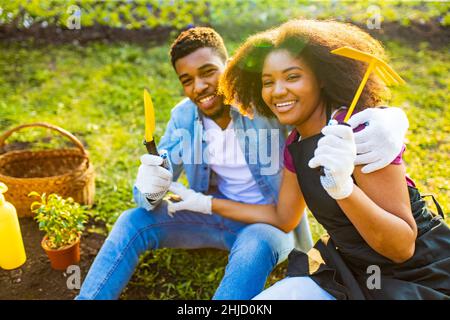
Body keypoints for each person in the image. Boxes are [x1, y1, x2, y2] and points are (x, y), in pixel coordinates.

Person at [76, 26, 409, 300]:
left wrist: (392, 119)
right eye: (187, 79)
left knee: (254, 244)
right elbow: (152, 190)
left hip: (270, 226)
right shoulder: (183, 118)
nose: (199, 87)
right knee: (133, 220)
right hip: (209, 216)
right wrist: (149, 187)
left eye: (208, 72)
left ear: (229, 66)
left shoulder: (265, 105)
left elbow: (323, 105)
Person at [216, 19, 450, 300]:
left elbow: (401, 247)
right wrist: (202, 204)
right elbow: (283, 217)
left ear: (322, 78)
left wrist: (344, 190)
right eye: (268, 82)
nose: (277, 91)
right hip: (351, 272)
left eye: (292, 77)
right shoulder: (295, 144)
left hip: (418, 274)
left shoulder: (363, 133)